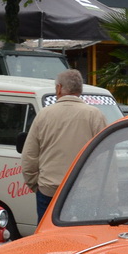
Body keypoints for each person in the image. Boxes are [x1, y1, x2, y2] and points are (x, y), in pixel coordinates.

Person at [20, 69, 108, 224]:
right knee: (82, 238)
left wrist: (36, 185)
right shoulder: (95, 115)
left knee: (49, 239)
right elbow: (104, 157)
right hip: (85, 191)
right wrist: (105, 189)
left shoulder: (44, 115)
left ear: (59, 88)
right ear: (80, 89)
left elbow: (30, 156)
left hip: (49, 190)